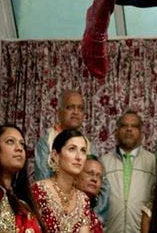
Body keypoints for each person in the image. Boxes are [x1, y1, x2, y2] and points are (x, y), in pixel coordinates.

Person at [34, 90, 110, 219]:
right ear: (59, 112)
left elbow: (103, 186)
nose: (75, 112)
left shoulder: (90, 146)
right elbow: (43, 180)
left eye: (80, 108)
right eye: (70, 107)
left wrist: (93, 218)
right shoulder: (46, 142)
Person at [102, 110, 157, 233]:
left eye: (134, 126)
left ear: (142, 134)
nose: (129, 129)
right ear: (116, 133)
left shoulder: (153, 162)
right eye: (124, 125)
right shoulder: (103, 163)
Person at [31, 129, 94, 233]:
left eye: (83, 150)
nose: (79, 157)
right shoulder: (38, 191)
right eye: (72, 149)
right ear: (55, 156)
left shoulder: (83, 200)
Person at [80, 156, 106, 231]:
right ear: (76, 176)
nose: (94, 179)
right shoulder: (65, 208)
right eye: (90, 173)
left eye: (99, 176)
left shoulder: (96, 222)